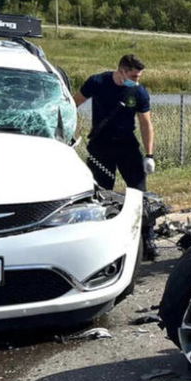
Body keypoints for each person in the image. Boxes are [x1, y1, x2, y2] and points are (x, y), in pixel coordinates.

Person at [74, 54, 158, 260]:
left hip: (127, 146)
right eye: (133, 76)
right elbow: (72, 104)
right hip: (101, 147)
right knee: (100, 195)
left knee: (139, 194)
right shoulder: (97, 82)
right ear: (121, 71)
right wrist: (68, 131)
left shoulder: (138, 92)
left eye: (139, 77)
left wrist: (149, 154)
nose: (136, 80)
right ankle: (99, 241)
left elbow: (146, 124)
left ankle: (147, 238)